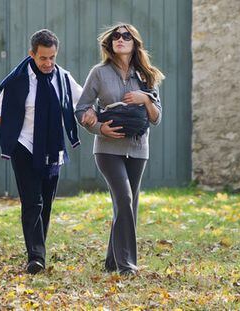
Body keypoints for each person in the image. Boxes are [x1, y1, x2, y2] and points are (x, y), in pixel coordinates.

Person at [75, 23, 164, 275]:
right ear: (110, 43)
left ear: (135, 43)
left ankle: (112, 261)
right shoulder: (99, 72)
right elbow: (82, 108)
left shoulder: (146, 75)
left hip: (138, 149)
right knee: (124, 198)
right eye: (116, 36)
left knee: (128, 204)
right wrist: (98, 127)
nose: (120, 39)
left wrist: (145, 98)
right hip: (107, 148)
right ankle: (127, 265)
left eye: (126, 36)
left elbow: (157, 118)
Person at [0, 29, 83, 274]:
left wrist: (97, 117)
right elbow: (0, 115)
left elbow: (83, 102)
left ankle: (38, 248)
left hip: (53, 150)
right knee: (32, 202)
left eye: (52, 57)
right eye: (43, 58)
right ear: (32, 54)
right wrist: (16, 137)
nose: (48, 63)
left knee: (46, 203)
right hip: (25, 147)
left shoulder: (63, 78)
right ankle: (36, 257)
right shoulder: (17, 81)